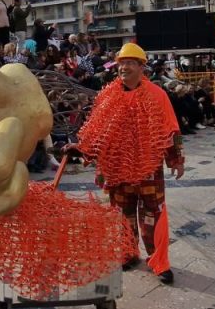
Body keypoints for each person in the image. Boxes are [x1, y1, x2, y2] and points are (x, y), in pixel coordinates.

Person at [65, 43, 184, 285]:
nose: (124, 67)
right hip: (116, 169)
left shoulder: (157, 95)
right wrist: (80, 149)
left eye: (130, 62)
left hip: (148, 168)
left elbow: (171, 129)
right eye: (121, 62)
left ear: (142, 67)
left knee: (153, 216)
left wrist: (176, 159)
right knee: (122, 217)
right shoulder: (107, 95)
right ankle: (128, 254)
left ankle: (158, 261)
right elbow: (95, 133)